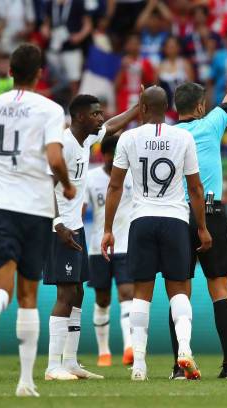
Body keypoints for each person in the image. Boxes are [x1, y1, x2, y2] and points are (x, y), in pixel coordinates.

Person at [0, 44, 74, 397]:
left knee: (1, 288)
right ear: (40, 73)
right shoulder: (51, 110)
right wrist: (67, 185)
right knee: (29, 294)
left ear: (9, 71)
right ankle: (25, 382)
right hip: (35, 209)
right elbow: (55, 158)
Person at [101, 86, 212, 381]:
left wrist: (108, 229)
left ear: (142, 107)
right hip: (175, 219)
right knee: (179, 291)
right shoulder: (183, 137)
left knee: (142, 294)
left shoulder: (128, 137)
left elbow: (114, 187)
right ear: (169, 108)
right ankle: (185, 350)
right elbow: (196, 188)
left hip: (141, 220)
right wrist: (201, 227)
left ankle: (139, 364)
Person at [169, 31, 227, 380]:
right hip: (213, 212)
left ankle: (179, 366)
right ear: (201, 106)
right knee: (219, 289)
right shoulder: (211, 124)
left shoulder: (169, 135)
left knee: (180, 292)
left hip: (177, 215)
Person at [43, 93, 138, 381]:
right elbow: (44, 187)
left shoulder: (85, 139)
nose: (100, 117)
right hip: (60, 229)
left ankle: (70, 362)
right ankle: (52, 366)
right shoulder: (64, 145)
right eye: (95, 113)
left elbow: (112, 125)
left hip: (77, 229)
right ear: (81, 116)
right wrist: (57, 223)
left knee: (78, 292)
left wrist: (136, 108)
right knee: (66, 293)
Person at [86, 135, 135, 367]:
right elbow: (81, 209)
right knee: (102, 299)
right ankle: (104, 351)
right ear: (104, 155)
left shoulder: (132, 176)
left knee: (127, 293)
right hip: (98, 247)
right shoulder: (91, 178)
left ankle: (129, 347)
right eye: (114, 154)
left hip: (125, 244)